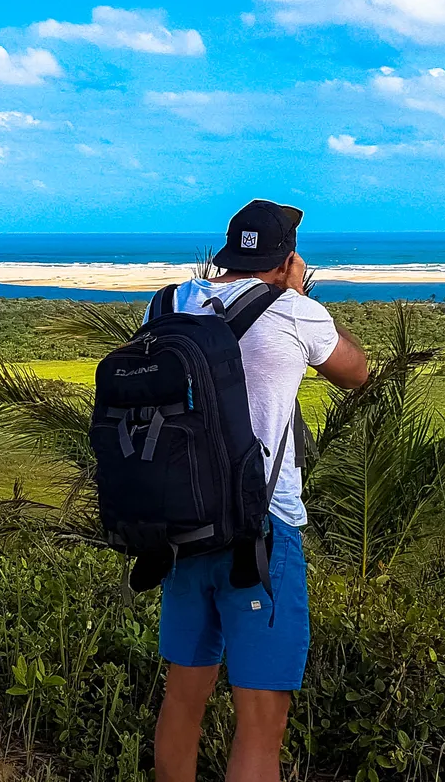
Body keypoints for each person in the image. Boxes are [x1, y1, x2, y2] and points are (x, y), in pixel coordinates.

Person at [148, 200, 368, 782]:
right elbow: (356, 371)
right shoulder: (296, 312)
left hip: (183, 525)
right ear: (288, 256)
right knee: (261, 721)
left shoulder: (170, 302)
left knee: (182, 702)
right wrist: (300, 291)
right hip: (263, 533)